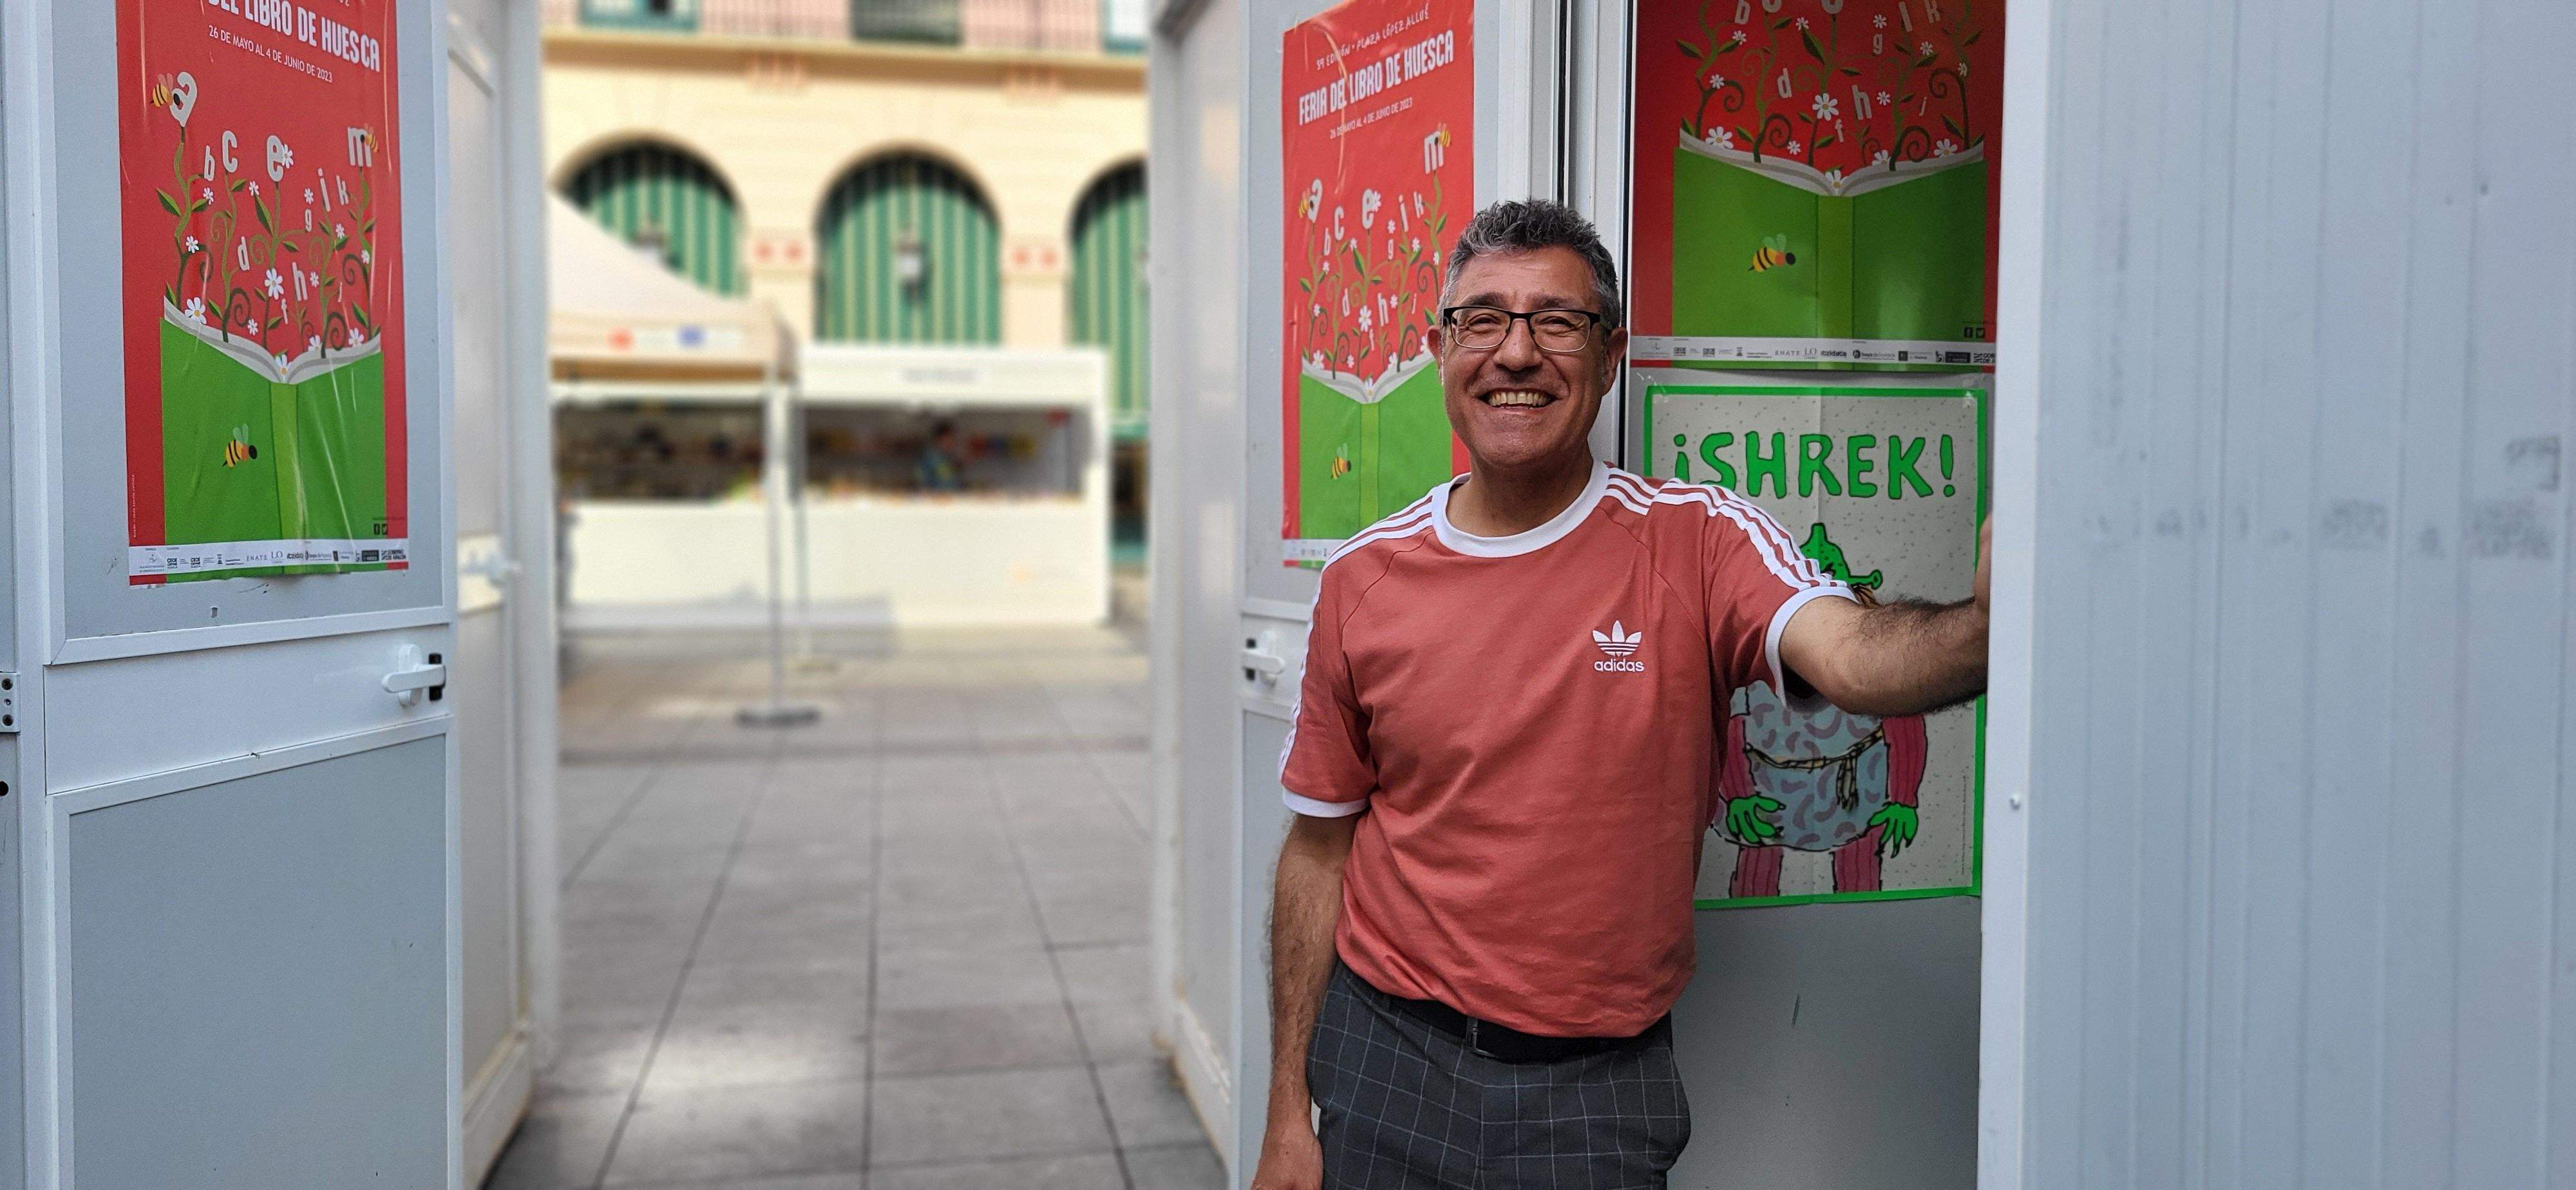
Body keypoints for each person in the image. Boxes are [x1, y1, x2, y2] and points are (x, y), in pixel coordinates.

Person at [1255, 199, 1989, 1189]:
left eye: (1558, 322)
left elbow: (1853, 656)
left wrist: (1985, 628)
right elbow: (1318, 849)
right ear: (1441, 351)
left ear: (1611, 358)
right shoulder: (1363, 578)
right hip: (1388, 1058)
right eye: (1484, 320)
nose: (1518, 352)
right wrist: (1285, 1114)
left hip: (1596, 1087)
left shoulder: (1697, 540)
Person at [916, 419, 967, 491]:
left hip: (955, 496)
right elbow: (923, 484)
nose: (951, 442)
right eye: (948, 439)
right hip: (936, 497)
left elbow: (953, 478)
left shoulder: (950, 457)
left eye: (953, 438)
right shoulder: (928, 459)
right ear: (938, 439)